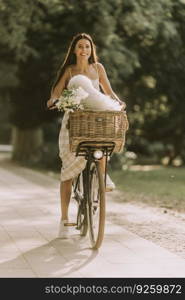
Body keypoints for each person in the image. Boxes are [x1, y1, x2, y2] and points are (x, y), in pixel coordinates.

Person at [47, 33, 126, 238]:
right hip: (75, 120)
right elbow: (56, 93)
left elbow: (108, 92)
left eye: (88, 47)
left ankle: (102, 177)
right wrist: (54, 101)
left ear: (92, 50)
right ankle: (64, 218)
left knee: (102, 147)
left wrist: (119, 103)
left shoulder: (98, 68)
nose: (84, 50)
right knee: (67, 173)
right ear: (74, 50)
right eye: (80, 46)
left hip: (95, 119)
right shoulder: (69, 70)